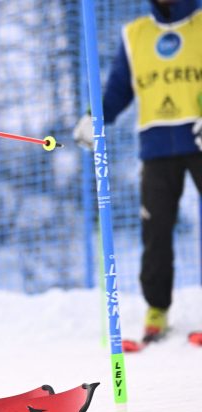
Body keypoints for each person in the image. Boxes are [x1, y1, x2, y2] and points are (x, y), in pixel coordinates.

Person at [73, 0, 202, 343]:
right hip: (156, 147)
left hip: (200, 138)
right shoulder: (136, 34)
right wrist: (94, 117)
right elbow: (118, 89)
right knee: (155, 229)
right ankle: (156, 310)